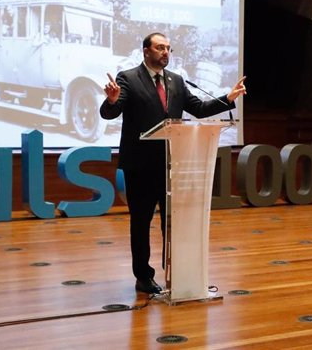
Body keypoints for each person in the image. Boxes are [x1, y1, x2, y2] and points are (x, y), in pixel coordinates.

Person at [100, 32, 247, 294]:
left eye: (168, 48)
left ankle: (177, 272)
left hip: (172, 165)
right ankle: (143, 277)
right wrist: (111, 100)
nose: (165, 52)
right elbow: (111, 111)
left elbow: (198, 109)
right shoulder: (129, 78)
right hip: (141, 167)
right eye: (160, 47)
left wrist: (228, 98)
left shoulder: (176, 81)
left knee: (173, 222)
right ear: (146, 51)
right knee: (141, 222)